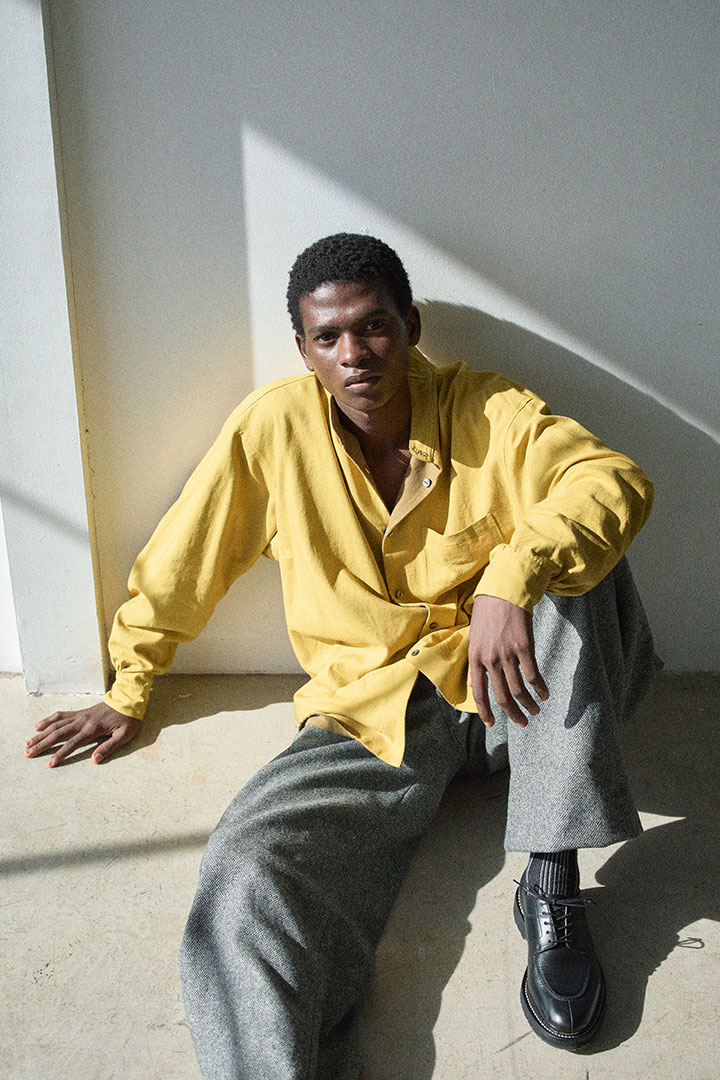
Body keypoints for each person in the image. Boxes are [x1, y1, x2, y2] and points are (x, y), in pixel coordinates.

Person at [25, 233, 659, 1077]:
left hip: (521, 702)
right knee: (246, 866)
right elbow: (187, 556)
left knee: (578, 567)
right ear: (304, 349)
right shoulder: (273, 428)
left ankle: (553, 876)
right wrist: (129, 684)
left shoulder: (486, 408)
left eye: (373, 328)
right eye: (328, 337)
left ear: (411, 327)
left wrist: (509, 582)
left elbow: (612, 480)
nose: (353, 354)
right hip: (374, 712)